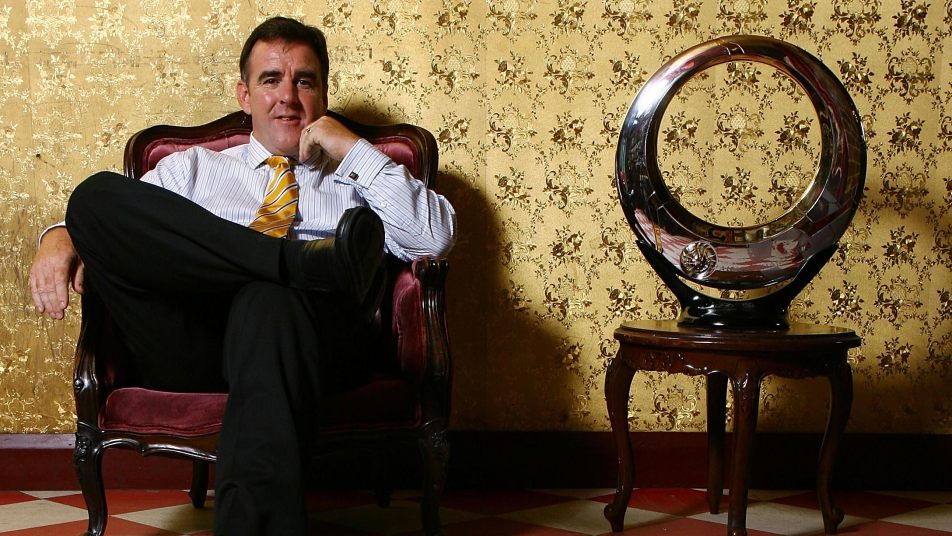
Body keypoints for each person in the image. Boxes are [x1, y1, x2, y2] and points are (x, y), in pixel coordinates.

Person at [28, 16, 456, 535]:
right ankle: (297, 261)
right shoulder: (195, 169)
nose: (288, 97)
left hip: (309, 342)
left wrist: (353, 149)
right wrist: (61, 237)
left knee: (268, 301)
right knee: (92, 197)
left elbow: (434, 238)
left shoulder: (355, 176)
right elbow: (117, 224)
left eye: (305, 81)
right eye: (270, 79)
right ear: (244, 95)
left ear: (324, 94)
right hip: (195, 343)